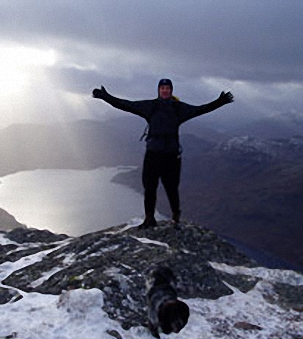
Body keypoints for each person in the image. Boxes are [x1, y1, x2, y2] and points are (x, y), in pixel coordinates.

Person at [93, 78, 233, 229]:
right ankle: (149, 219)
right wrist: (105, 97)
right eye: (162, 88)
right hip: (153, 154)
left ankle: (175, 217)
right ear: (158, 90)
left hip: (171, 155)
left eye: (168, 88)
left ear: (171, 91)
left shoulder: (179, 108)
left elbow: (201, 109)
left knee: (171, 187)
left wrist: (220, 102)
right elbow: (126, 105)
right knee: (149, 187)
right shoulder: (150, 106)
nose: (165, 90)